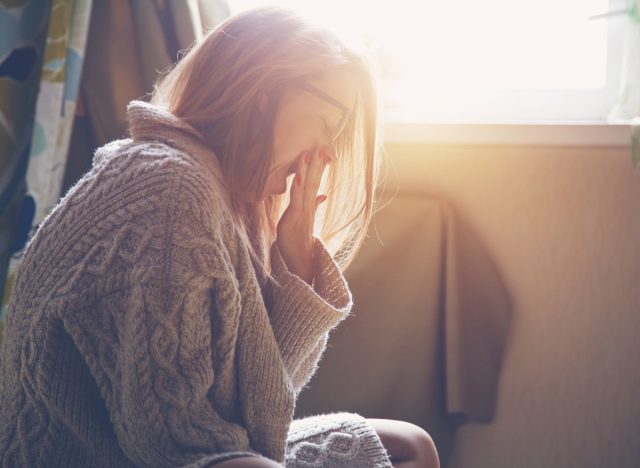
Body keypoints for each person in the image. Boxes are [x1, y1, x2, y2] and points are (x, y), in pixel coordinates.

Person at [0, 6, 440, 468]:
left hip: (186, 446)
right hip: (103, 456)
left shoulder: (230, 196)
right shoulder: (166, 187)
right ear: (266, 91)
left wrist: (294, 264)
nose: (327, 151)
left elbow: (260, 410)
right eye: (331, 124)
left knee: (408, 447)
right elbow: (174, 444)